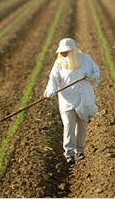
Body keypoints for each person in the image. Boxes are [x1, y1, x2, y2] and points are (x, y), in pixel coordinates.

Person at [43, 38, 100, 166]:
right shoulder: (58, 64)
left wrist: (92, 77)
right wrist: (50, 91)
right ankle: (69, 153)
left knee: (82, 126)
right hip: (67, 100)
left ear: (73, 50)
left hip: (84, 98)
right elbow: (53, 79)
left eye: (66, 51)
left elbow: (96, 73)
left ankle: (80, 151)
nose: (63, 54)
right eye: (61, 52)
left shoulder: (86, 59)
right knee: (69, 125)